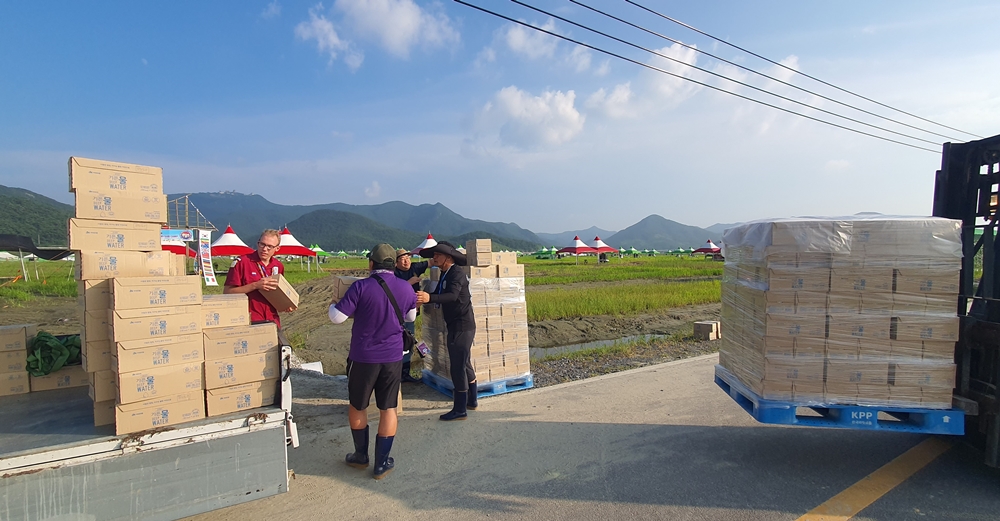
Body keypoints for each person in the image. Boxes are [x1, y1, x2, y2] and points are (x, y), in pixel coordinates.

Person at [328, 243, 416, 480]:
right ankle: (382, 463)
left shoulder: (360, 287)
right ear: (394, 264)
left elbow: (337, 318)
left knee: (358, 406)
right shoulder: (406, 288)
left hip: (363, 357)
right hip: (393, 357)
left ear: (371, 264)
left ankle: (360, 456)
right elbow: (410, 316)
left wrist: (333, 303)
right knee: (388, 408)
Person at [414, 241, 477, 421]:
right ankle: (472, 401)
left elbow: (452, 296)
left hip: (462, 326)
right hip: (455, 324)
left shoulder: (456, 273)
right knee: (464, 363)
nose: (434, 258)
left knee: (457, 367)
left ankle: (460, 409)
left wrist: (430, 297)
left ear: (448, 258)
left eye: (437, 255)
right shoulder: (445, 273)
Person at [223, 229, 296, 345]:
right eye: (262, 244)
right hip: (249, 320)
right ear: (258, 243)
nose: (264, 249)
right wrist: (255, 285)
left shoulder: (278, 266)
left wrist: (285, 305)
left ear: (277, 249)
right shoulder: (242, 262)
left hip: (272, 320)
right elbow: (227, 293)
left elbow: (278, 294)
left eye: (269, 246)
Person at [394, 248, 429, 383]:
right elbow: (393, 290)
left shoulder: (414, 267)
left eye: (408, 258)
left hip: (412, 313)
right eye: (402, 259)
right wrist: (409, 283)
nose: (406, 261)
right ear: (396, 263)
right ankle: (397, 373)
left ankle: (405, 372)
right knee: (400, 343)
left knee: (409, 342)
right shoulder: (394, 274)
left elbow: (431, 263)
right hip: (398, 315)